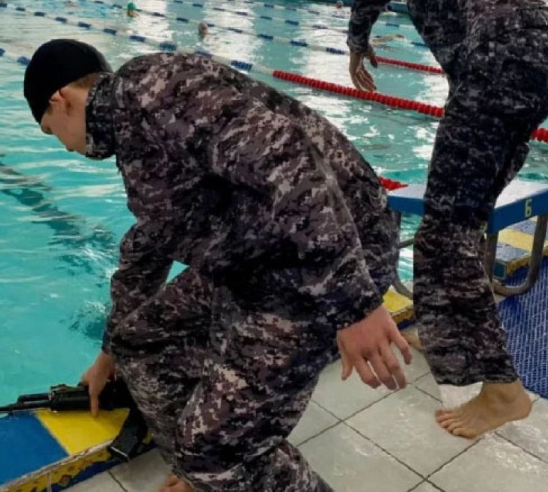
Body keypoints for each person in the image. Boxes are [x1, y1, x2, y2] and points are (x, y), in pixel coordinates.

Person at [23, 39, 410, 492]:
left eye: (53, 132)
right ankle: (214, 471)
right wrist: (108, 352)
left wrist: (355, 304)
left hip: (322, 263)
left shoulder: (153, 90)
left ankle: (219, 460)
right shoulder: (135, 131)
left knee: (211, 450)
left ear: (60, 100)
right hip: (258, 264)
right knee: (139, 342)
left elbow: (287, 157)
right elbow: (150, 242)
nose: (67, 149)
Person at [347, 0, 548, 438]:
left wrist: (357, 41)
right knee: (460, 224)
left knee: (444, 238)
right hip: (542, 55)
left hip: (498, 59)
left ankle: (504, 390)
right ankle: (447, 331)